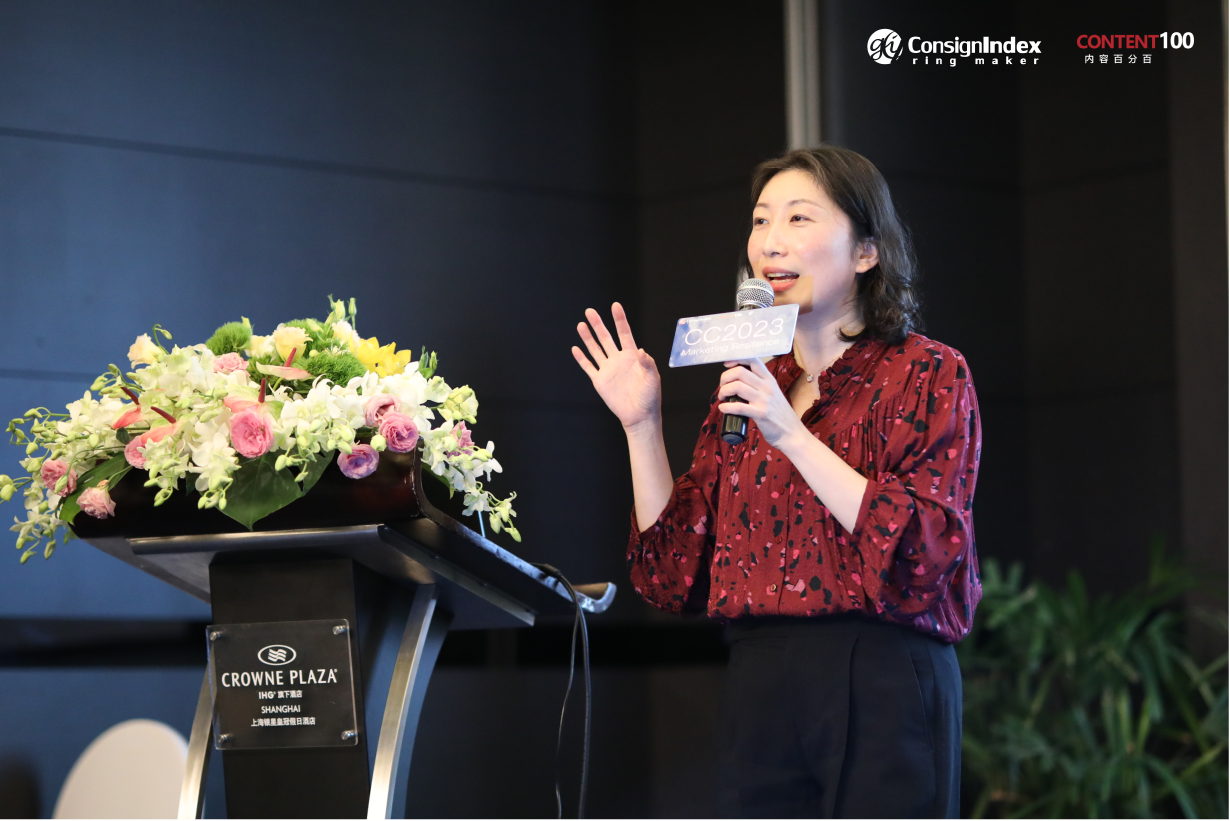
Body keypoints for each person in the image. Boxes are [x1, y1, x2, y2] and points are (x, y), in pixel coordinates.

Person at [571, 145, 981, 820]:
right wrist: (642, 425)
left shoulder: (926, 372)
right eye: (761, 221)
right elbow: (673, 571)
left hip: (883, 673)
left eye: (798, 218)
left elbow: (924, 548)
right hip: (761, 674)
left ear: (866, 252)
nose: (770, 242)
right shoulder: (752, 384)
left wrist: (789, 431)